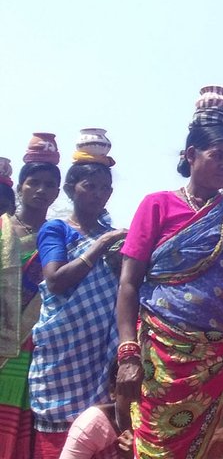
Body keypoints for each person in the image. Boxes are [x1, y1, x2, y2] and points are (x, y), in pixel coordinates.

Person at [115, 86, 223, 458]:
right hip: (160, 355)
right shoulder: (157, 205)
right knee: (154, 444)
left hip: (217, 359)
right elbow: (128, 283)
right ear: (191, 155)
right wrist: (127, 354)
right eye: (218, 155)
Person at [29, 131, 127, 458]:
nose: (98, 194)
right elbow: (56, 281)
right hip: (62, 355)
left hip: (101, 353)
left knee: (97, 432)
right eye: (89, 186)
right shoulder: (57, 230)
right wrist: (99, 247)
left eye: (104, 188)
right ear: (71, 189)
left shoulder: (113, 237)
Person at [0, 136, 61, 458]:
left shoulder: (62, 237)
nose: (41, 190)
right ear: (20, 186)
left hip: (34, 350)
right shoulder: (2, 229)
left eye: (49, 185)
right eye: (33, 182)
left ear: (57, 192)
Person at [58, 362, 133, 459]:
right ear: (113, 392)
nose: (138, 400)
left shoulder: (155, 421)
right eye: (130, 390)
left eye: (144, 394)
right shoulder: (91, 425)